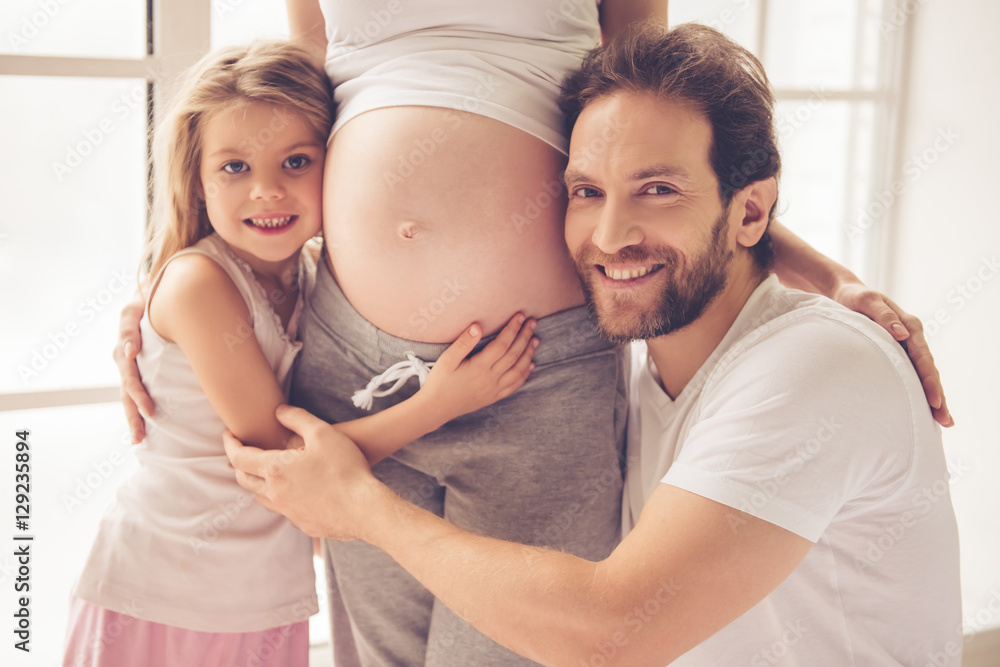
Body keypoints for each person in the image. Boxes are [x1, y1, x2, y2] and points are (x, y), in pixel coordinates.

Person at [117, 2, 952, 665]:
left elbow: (659, 125)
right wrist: (188, 284)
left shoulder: (805, 366)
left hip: (537, 366)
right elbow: (302, 117)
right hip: (351, 352)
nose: (616, 221)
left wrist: (827, 274)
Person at [65, 39, 538, 667]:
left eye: (295, 162)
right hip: (160, 591)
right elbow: (285, 463)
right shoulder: (200, 284)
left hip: (263, 602)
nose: (267, 191)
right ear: (198, 184)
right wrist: (443, 402)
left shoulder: (308, 275)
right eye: (235, 168)